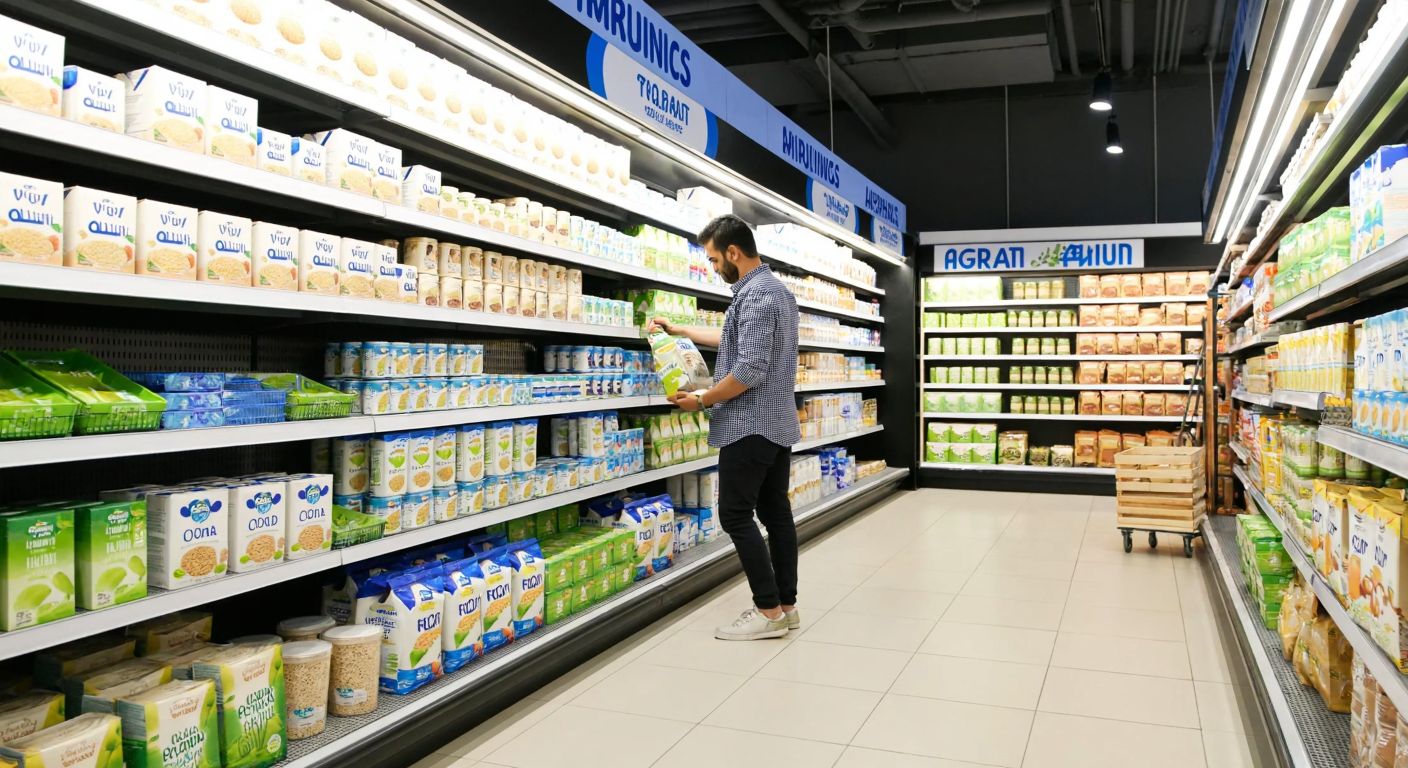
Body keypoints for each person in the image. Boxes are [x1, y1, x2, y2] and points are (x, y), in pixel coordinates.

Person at [647, 214, 802, 641]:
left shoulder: (754, 297)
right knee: (776, 514)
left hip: (749, 424)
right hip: (778, 423)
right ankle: (786, 607)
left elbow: (748, 368)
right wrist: (682, 330)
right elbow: (736, 339)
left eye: (715, 260)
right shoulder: (776, 293)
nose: (714, 268)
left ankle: (767, 612)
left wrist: (701, 398)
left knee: (735, 514)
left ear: (734, 253)